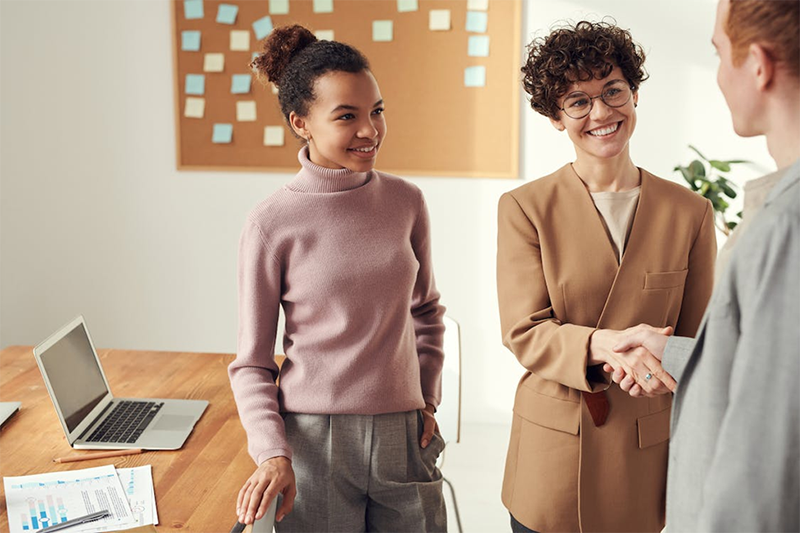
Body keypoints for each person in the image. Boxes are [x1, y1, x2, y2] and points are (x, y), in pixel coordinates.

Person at [496, 21, 717, 533]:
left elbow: (699, 341)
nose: (601, 113)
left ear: (634, 92)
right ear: (555, 117)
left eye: (612, 90)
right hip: (553, 452)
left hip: (641, 450)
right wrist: (615, 343)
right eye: (577, 101)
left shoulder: (691, 212)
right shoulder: (524, 209)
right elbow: (524, 331)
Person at [228, 24, 447, 532]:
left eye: (377, 111)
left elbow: (426, 311)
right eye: (347, 116)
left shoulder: (405, 201)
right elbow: (252, 364)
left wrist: (427, 398)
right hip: (313, 441)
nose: (369, 130)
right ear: (301, 122)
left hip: (403, 433)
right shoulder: (271, 222)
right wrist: (270, 451)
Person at [609, 0, 800, 530]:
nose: (718, 74)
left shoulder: (785, 227)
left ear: (758, 66)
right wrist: (673, 351)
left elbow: (766, 454)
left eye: (720, 54)